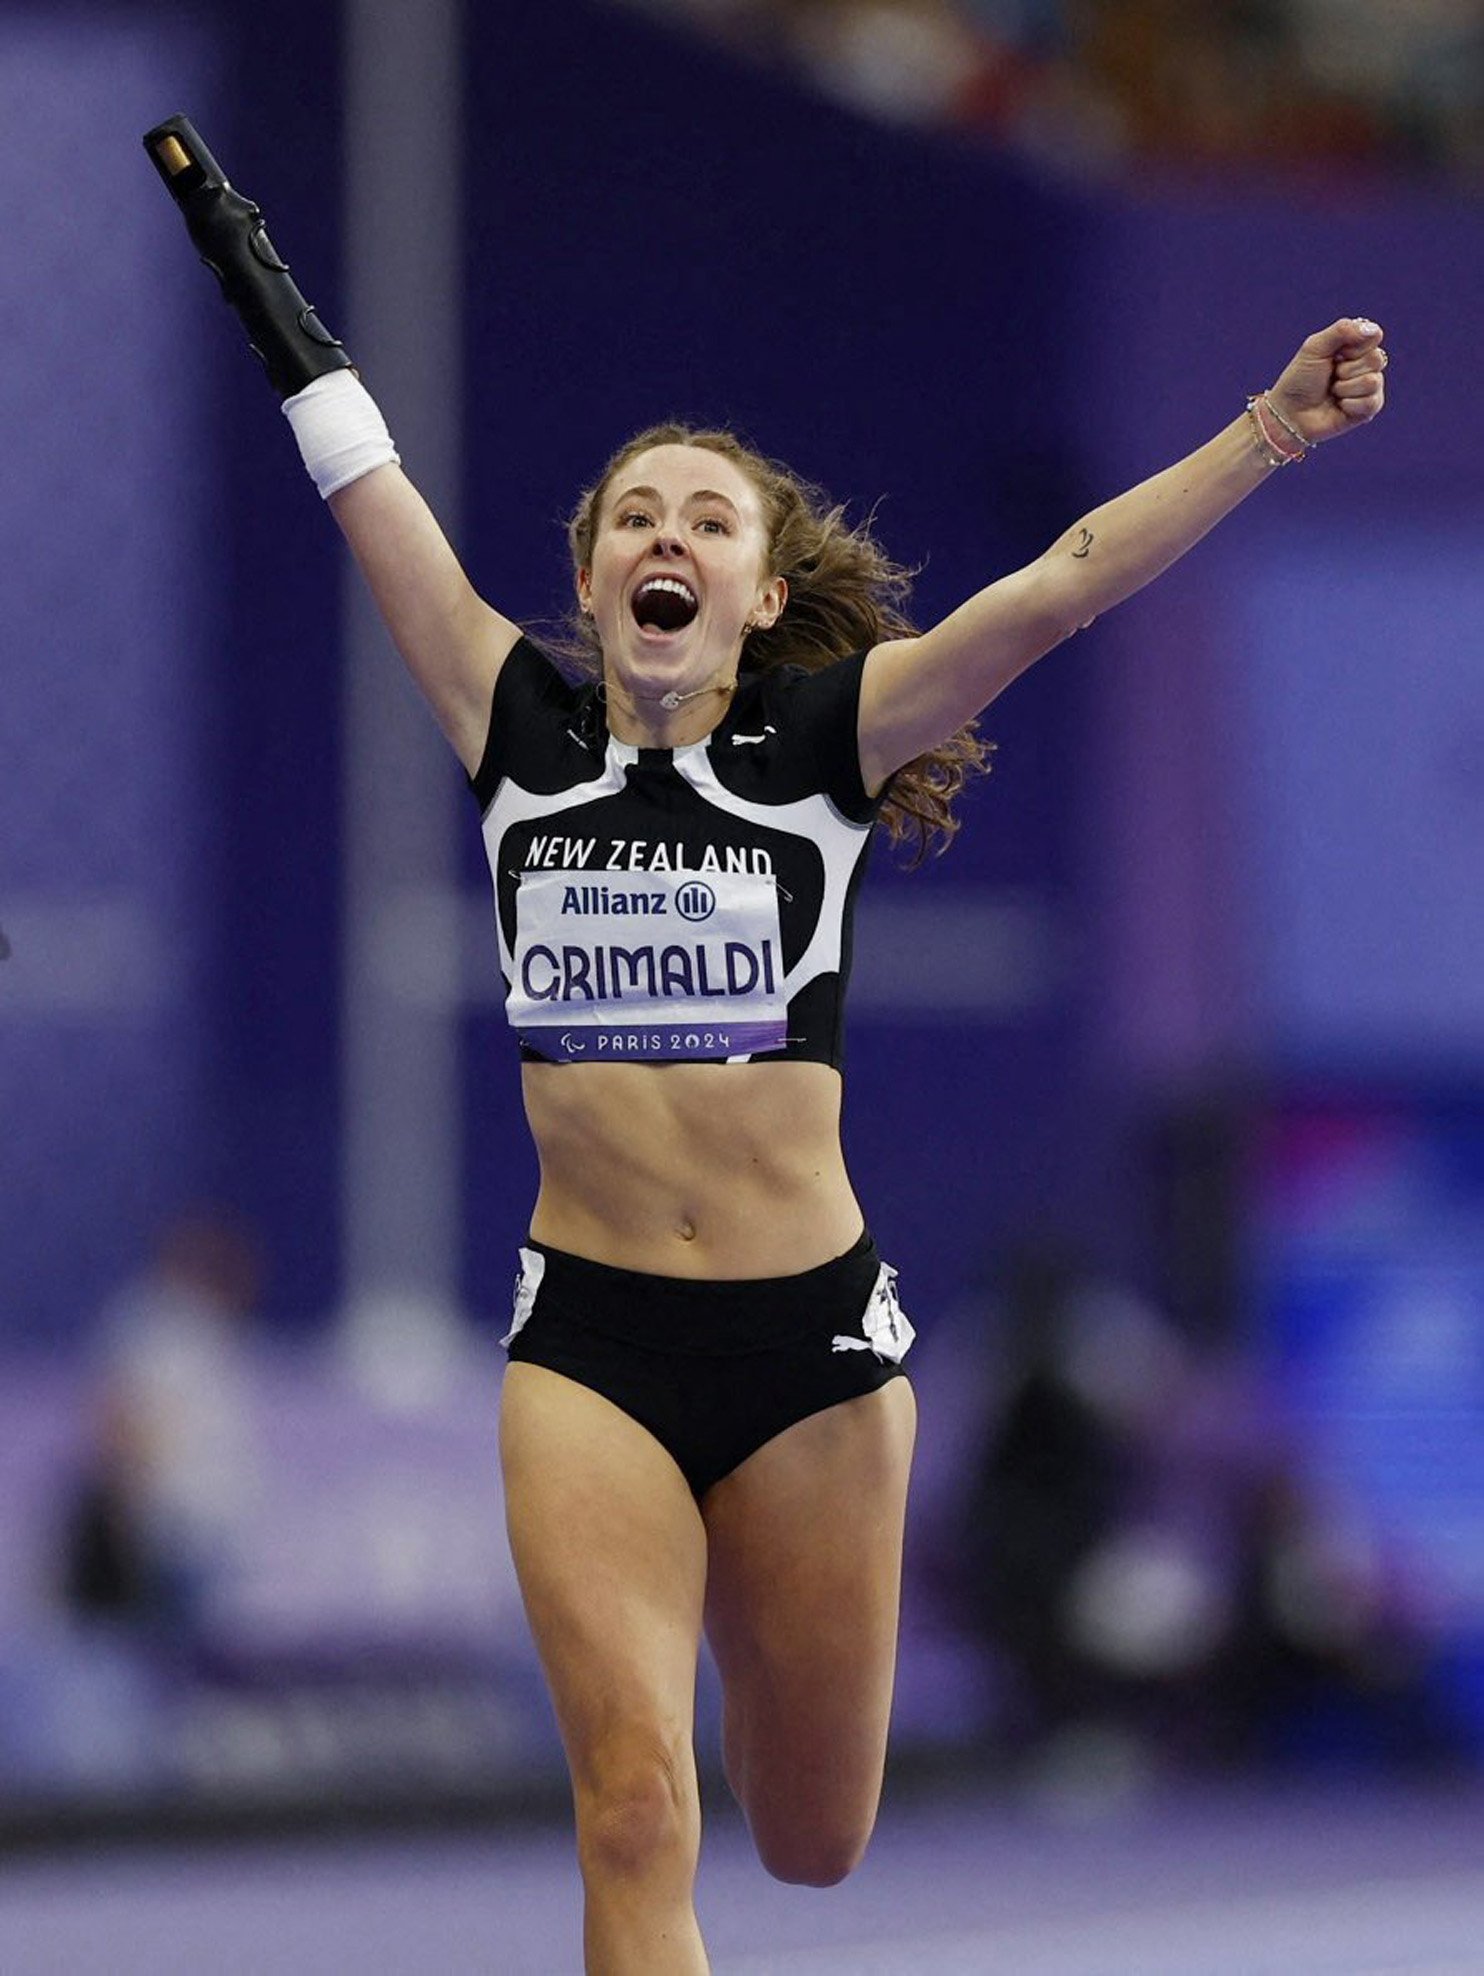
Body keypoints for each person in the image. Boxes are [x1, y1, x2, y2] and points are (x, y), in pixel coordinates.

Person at [145, 108, 1386, 1976]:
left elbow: (1059, 581)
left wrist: (1265, 431)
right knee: (637, 1810)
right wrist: (221, 221)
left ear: (758, 595)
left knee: (810, 1838)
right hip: (592, 1344)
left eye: (703, 520)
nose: (666, 538)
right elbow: (356, 462)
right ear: (590, 584)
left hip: (808, 1352)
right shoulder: (517, 734)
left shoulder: (826, 745)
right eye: (632, 516)